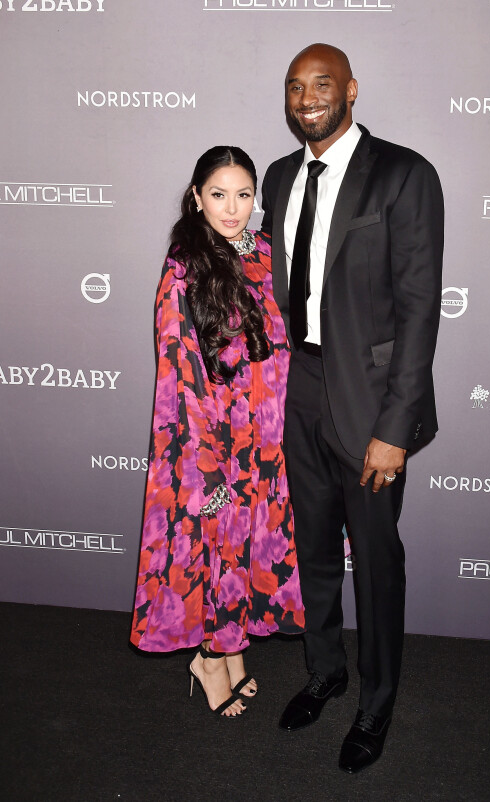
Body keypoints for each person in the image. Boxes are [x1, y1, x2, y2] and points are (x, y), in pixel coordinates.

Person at [261, 44, 444, 770]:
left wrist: (394, 429)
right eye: (296, 86)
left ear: (352, 90)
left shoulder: (402, 174)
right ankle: (324, 671)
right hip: (298, 389)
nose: (308, 97)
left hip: (370, 406)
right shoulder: (277, 176)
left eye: (322, 84)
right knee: (313, 551)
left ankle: (376, 704)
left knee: (375, 560)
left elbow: (420, 309)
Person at [131, 146, 304, 717]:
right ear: (197, 197)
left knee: (249, 542)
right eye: (219, 195)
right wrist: (205, 464)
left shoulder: (266, 252)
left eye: (244, 195)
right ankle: (208, 658)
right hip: (213, 440)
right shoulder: (184, 266)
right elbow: (178, 375)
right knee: (218, 543)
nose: (233, 209)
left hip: (267, 437)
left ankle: (233, 650)